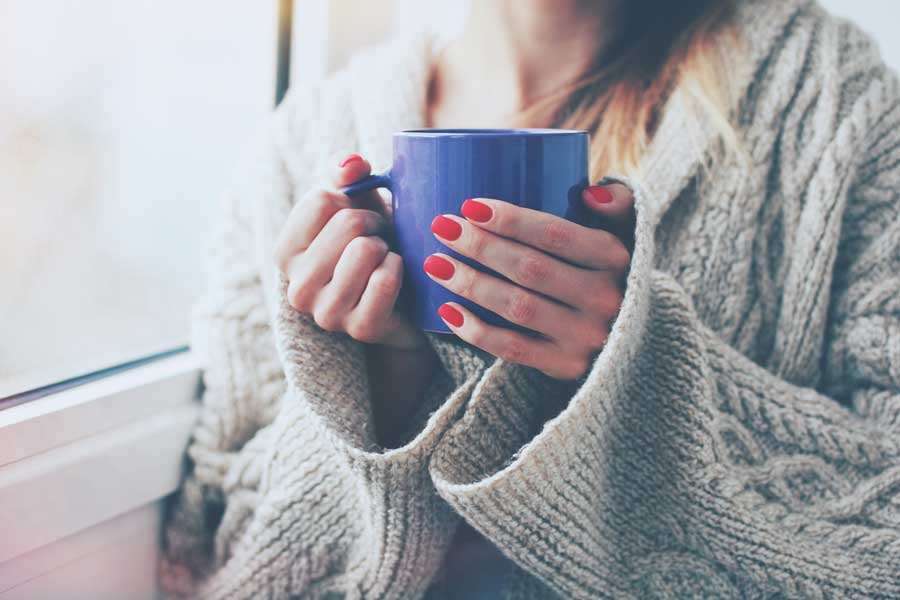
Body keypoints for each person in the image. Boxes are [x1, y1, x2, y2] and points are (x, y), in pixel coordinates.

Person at [160, 0, 900, 597]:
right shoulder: (298, 149)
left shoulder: (833, 101)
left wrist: (640, 376)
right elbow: (211, 546)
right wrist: (372, 386)